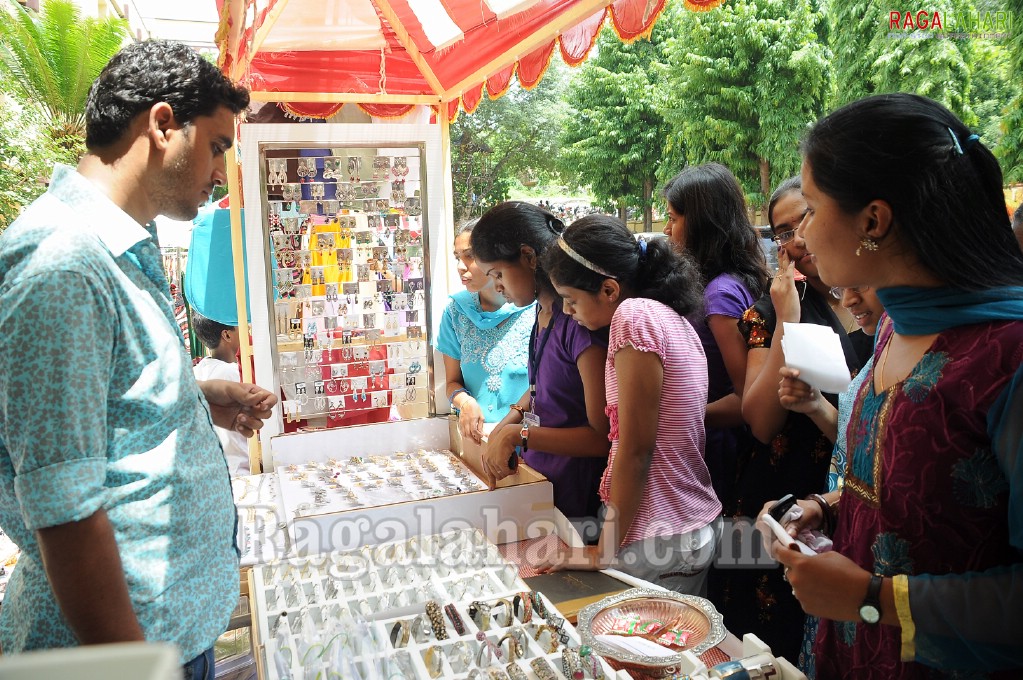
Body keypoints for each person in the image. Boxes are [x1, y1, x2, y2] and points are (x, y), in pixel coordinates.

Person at [0, 40, 275, 679]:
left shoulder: (119, 248)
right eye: (217, 146)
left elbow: (92, 412)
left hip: (171, 632)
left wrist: (197, 401)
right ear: (161, 125)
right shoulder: (63, 265)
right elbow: (66, 511)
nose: (219, 170)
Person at [766, 93, 1023, 678]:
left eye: (809, 208)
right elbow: (920, 503)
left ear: (873, 221)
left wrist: (876, 600)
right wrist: (825, 510)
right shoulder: (894, 330)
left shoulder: (1009, 356)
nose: (799, 236)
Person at [714, 176, 867, 663]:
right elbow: (760, 421)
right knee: (770, 638)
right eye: (782, 232)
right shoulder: (768, 311)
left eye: (806, 219)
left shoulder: (878, 300)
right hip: (781, 492)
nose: (797, 240)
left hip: (854, 486)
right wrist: (789, 319)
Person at [537, 215, 721, 595]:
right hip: (681, 526)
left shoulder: (633, 317)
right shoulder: (672, 318)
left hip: (658, 533)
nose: (567, 312)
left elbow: (636, 449)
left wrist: (602, 551)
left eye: (571, 300)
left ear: (608, 289)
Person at [471, 201, 610, 537]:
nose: (497, 287)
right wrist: (509, 421)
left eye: (498, 274)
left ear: (529, 257)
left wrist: (519, 434)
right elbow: (542, 387)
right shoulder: (541, 313)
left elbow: (602, 436)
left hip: (579, 501)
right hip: (544, 485)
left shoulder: (578, 323)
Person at [777, 285, 886, 677]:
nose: (850, 299)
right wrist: (816, 406)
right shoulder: (888, 341)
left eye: (862, 284)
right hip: (848, 565)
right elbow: (859, 447)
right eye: (841, 289)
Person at [662, 163, 770, 511]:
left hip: (718, 451)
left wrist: (675, 417)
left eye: (673, 218)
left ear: (702, 223)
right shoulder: (722, 283)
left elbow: (744, 399)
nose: (666, 229)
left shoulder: (718, 295)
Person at [436, 220, 535, 444]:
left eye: (469, 256)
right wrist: (465, 403)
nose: (461, 266)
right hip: (478, 442)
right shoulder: (456, 311)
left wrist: (510, 430)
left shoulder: (534, 308)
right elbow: (452, 382)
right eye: (457, 258)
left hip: (528, 442)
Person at [192, 312, 250, 477]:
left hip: (214, 472)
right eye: (240, 327)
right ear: (226, 335)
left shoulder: (196, 372)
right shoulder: (234, 373)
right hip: (241, 469)